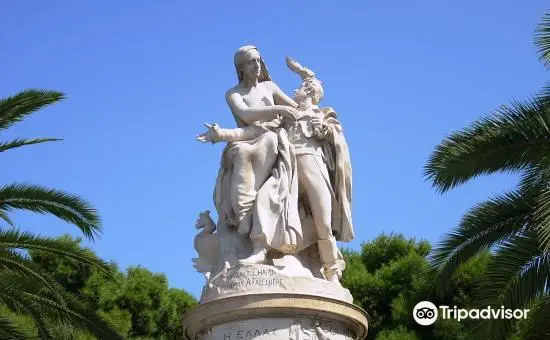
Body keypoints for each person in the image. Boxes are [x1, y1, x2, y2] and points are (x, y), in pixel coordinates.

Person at [198, 58, 353, 282]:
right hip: (287, 167)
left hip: (313, 166)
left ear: (309, 92)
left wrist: (325, 130)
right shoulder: (284, 118)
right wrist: (221, 135)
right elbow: (252, 131)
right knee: (264, 199)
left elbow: (334, 134)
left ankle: (331, 270)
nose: (292, 91)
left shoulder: (321, 114)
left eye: (299, 88)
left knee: (323, 220)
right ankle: (259, 250)